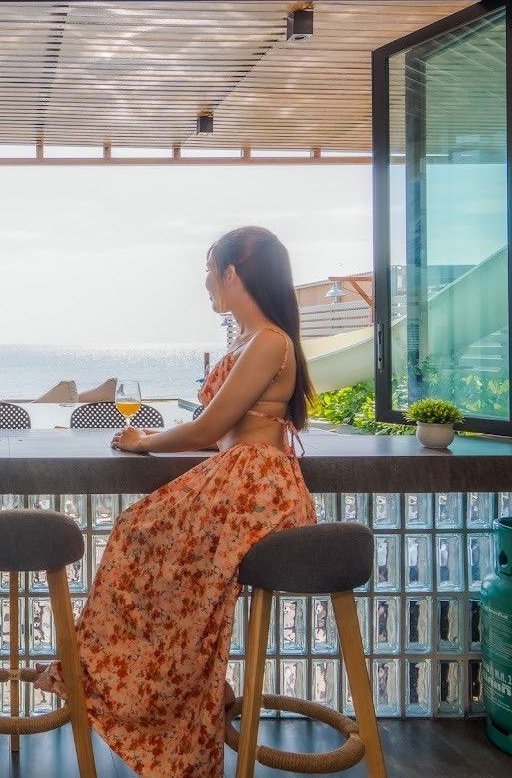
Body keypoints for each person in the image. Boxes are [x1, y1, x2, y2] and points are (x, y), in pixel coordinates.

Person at [35, 226, 318, 777]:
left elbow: (209, 426)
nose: (207, 283)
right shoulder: (248, 340)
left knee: (139, 533)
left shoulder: (268, 341)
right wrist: (167, 437)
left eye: (211, 271)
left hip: (256, 486)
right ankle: (170, 681)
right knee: (147, 541)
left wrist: (144, 439)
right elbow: (217, 430)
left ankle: (152, 684)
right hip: (243, 478)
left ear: (234, 273)